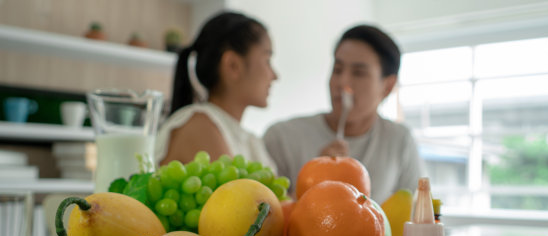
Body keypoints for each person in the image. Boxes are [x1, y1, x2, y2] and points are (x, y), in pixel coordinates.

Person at [263, 25, 425, 203]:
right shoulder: (281, 137)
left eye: (358, 73)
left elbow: (416, 216)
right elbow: (267, 218)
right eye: (337, 70)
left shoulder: (399, 140)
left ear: (387, 86)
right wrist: (315, 177)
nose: (343, 82)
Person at [155, 11, 278, 169]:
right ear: (233, 65)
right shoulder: (199, 125)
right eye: (267, 60)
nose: (275, 76)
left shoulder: (250, 141)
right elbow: (235, 193)